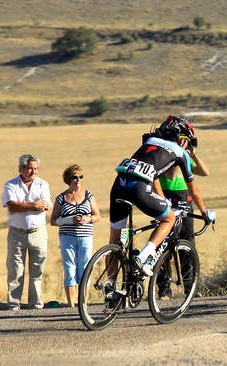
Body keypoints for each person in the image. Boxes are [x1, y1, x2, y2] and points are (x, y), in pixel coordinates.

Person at [108, 115, 215, 282]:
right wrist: (205, 212)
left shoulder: (149, 142)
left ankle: (111, 287)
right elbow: (194, 192)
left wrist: (162, 199)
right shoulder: (180, 152)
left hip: (119, 184)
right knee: (169, 219)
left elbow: (154, 173)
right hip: (139, 187)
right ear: (183, 139)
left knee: (115, 242)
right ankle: (143, 257)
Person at [154, 125, 210, 298]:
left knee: (187, 244)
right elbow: (170, 174)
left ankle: (190, 288)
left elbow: (204, 172)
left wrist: (191, 154)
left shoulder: (184, 155)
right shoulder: (166, 154)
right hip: (165, 195)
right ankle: (164, 289)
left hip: (184, 198)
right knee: (163, 246)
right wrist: (180, 152)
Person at [1, 154, 51, 311]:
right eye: (29, 168)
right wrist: (33, 205)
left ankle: (35, 303)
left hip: (38, 232)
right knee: (16, 270)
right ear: (20, 168)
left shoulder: (43, 185)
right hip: (17, 233)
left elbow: (45, 205)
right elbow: (12, 207)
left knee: (37, 270)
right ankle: (14, 304)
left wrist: (23, 204)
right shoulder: (11, 185)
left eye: (35, 168)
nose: (33, 171)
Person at [50, 164, 101, 307]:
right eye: (74, 177)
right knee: (69, 267)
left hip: (86, 236)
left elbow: (97, 216)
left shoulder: (88, 195)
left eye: (80, 177)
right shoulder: (61, 198)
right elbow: (53, 221)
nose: (78, 180)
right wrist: (68, 220)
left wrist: (88, 219)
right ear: (68, 179)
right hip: (67, 237)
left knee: (84, 266)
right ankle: (71, 302)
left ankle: (83, 300)